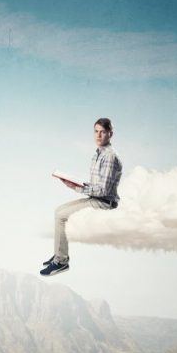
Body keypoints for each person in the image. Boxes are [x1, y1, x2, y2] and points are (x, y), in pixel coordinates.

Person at [41, 118, 122, 276]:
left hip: (104, 202)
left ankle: (61, 261)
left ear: (110, 134)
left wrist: (79, 188)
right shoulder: (98, 154)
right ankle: (59, 253)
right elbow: (96, 185)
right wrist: (75, 184)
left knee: (60, 215)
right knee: (59, 211)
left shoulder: (110, 157)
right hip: (96, 198)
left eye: (103, 132)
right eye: (96, 131)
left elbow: (104, 190)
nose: (98, 135)